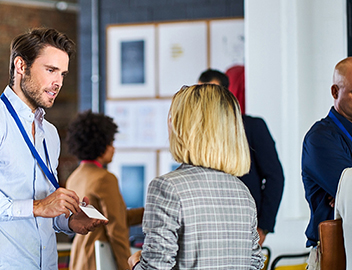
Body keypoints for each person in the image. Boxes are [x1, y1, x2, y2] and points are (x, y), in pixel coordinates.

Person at [0, 28, 107, 269]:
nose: (58, 82)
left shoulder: (50, 133)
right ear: (21, 66)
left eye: (62, 74)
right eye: (51, 70)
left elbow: (41, 214)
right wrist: (38, 207)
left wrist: (68, 220)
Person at [128, 84, 265, 270]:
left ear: (182, 128)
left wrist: (136, 263)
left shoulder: (166, 187)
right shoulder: (242, 193)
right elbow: (255, 264)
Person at [198, 68, 285, 246]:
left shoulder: (252, 127)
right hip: (205, 226)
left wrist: (263, 226)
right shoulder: (198, 132)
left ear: (226, 94)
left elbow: (275, 177)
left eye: (212, 93)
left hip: (245, 224)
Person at [65, 110, 144, 270]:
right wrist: (128, 267)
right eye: (111, 142)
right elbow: (117, 230)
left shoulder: (75, 177)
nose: (113, 148)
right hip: (99, 260)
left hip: (80, 257)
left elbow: (106, 217)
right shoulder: (105, 179)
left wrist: (148, 213)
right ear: (100, 144)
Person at [302, 57, 352, 267]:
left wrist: (343, 192)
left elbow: (345, 192)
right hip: (334, 253)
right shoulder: (320, 138)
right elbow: (349, 190)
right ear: (335, 92)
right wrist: (345, 189)